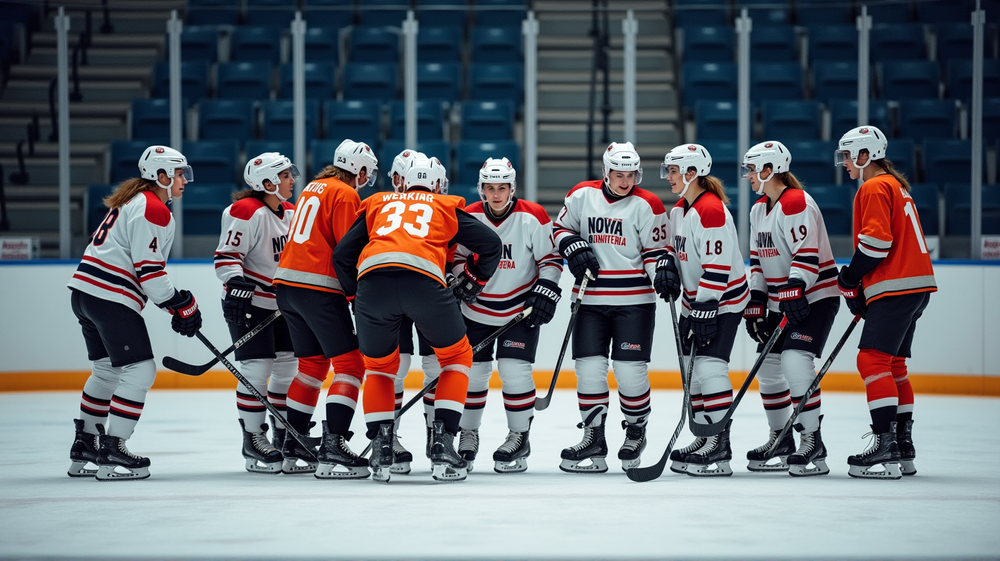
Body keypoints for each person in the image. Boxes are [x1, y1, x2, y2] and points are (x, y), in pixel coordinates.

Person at [332, 153, 502, 483]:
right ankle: (443, 442)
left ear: (402, 183)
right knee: (456, 359)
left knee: (380, 368)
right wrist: (474, 279)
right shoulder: (444, 205)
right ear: (437, 185)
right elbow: (491, 244)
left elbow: (342, 255)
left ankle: (382, 448)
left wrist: (356, 296)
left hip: (373, 285)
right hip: (425, 284)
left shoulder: (378, 202)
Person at [67, 145, 201, 481]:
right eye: (180, 173)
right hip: (109, 297)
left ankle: (86, 445)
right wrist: (178, 302)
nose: (184, 180)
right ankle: (113, 447)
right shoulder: (154, 208)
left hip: (85, 294)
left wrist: (173, 302)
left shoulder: (132, 201)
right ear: (161, 176)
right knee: (140, 371)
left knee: (106, 372)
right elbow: (150, 272)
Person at [552, 141, 671, 473]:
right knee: (589, 370)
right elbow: (558, 229)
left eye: (631, 174)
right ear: (605, 171)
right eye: (618, 174)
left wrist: (660, 274)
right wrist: (572, 244)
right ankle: (594, 436)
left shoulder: (648, 204)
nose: (625, 181)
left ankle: (635, 431)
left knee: (629, 372)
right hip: (589, 300)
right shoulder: (581, 195)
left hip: (634, 303)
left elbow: (655, 252)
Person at [272, 139, 376, 479]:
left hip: (287, 286)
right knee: (350, 365)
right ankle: (334, 444)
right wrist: (356, 295)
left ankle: (293, 443)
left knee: (312, 365)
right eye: (366, 173)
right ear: (359, 170)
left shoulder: (312, 188)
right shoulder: (346, 194)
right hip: (318, 287)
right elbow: (348, 249)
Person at [835, 126, 936, 479]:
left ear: (865, 155)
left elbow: (877, 243)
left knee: (871, 359)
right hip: (916, 286)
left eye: (848, 156)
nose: (845, 163)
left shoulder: (874, 186)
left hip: (896, 285)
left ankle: (885, 444)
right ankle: (903, 445)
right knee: (893, 366)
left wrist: (849, 279)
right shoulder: (897, 186)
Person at [452, 157, 564, 474]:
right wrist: (464, 279)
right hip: (475, 312)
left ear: (512, 188)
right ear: (482, 189)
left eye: (502, 188)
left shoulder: (533, 215)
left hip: (519, 312)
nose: (497, 194)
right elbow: (456, 257)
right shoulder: (469, 215)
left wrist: (545, 288)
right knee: (473, 374)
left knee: (514, 372)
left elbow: (551, 260)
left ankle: (519, 436)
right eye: (490, 188)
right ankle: (468, 433)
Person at [741, 140, 841, 477]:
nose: (749, 176)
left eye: (753, 170)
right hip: (782, 299)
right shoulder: (758, 209)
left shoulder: (796, 201)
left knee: (795, 361)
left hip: (816, 296)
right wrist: (756, 298)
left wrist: (795, 286)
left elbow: (806, 254)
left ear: (770, 170)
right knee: (769, 370)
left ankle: (812, 439)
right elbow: (757, 261)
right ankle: (781, 439)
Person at [656, 143, 749, 477]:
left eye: (673, 171)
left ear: (691, 173)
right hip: (695, 302)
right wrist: (666, 263)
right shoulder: (680, 209)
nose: (668, 177)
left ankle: (719, 446)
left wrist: (706, 307)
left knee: (709, 367)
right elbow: (673, 247)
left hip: (722, 302)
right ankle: (704, 435)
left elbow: (718, 266)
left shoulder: (711, 209)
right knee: (690, 368)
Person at [214, 152, 299, 474]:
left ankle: (284, 434)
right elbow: (226, 257)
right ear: (267, 183)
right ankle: (253, 437)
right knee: (257, 369)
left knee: (288, 369)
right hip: (250, 304)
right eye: (286, 175)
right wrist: (236, 282)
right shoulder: (245, 210)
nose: (292, 180)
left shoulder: (290, 212)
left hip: (283, 306)